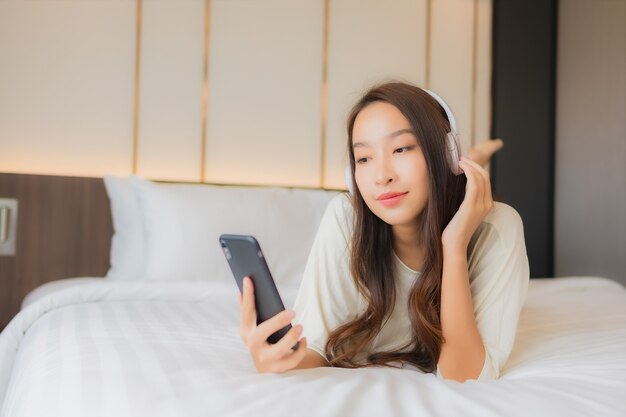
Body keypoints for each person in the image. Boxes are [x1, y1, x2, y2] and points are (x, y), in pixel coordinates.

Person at [238, 81, 528, 382]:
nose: (381, 177)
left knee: (463, 184)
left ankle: (476, 157)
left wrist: (453, 247)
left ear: (446, 153)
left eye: (401, 148)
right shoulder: (345, 218)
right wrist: (277, 359)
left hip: (458, 197)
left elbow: (465, 377)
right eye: (364, 158)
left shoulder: (497, 229)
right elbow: (317, 351)